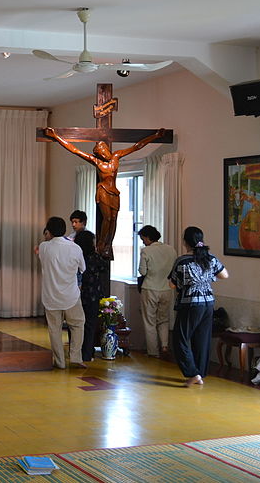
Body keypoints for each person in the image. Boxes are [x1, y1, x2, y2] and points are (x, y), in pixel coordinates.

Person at [43, 127, 165, 259]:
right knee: (107, 218)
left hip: (114, 193)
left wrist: (155, 136)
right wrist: (56, 136)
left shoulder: (116, 157)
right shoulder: (96, 161)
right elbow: (74, 150)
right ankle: (101, 243)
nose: (103, 153)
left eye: (104, 150)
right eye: (100, 152)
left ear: (107, 149)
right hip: (103, 191)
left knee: (113, 219)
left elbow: (137, 146)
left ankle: (108, 244)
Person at [169, 226, 229, 386]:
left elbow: (172, 285)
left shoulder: (182, 261)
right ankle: (200, 373)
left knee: (180, 339)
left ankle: (192, 373)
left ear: (185, 242)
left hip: (190, 303)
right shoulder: (209, 258)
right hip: (208, 302)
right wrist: (206, 277)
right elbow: (224, 275)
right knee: (202, 338)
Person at [37, 216, 86, 369]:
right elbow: (83, 268)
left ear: (49, 231)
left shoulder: (44, 247)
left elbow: (41, 253)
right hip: (71, 295)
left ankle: (60, 362)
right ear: (65, 230)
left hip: (50, 296)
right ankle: (76, 358)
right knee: (77, 325)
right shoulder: (75, 248)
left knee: (54, 329)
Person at [137, 225, 177, 358]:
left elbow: (143, 271)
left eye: (143, 239)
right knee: (164, 319)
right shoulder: (171, 249)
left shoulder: (146, 251)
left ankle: (153, 352)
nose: (143, 242)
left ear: (148, 237)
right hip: (167, 288)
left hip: (150, 288)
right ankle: (165, 346)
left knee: (149, 321)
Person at [75, 230, 104, 362]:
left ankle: (76, 352)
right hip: (93, 295)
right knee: (90, 325)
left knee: (76, 324)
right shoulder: (95, 257)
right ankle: (88, 354)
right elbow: (104, 268)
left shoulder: (76, 255)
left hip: (77, 294)